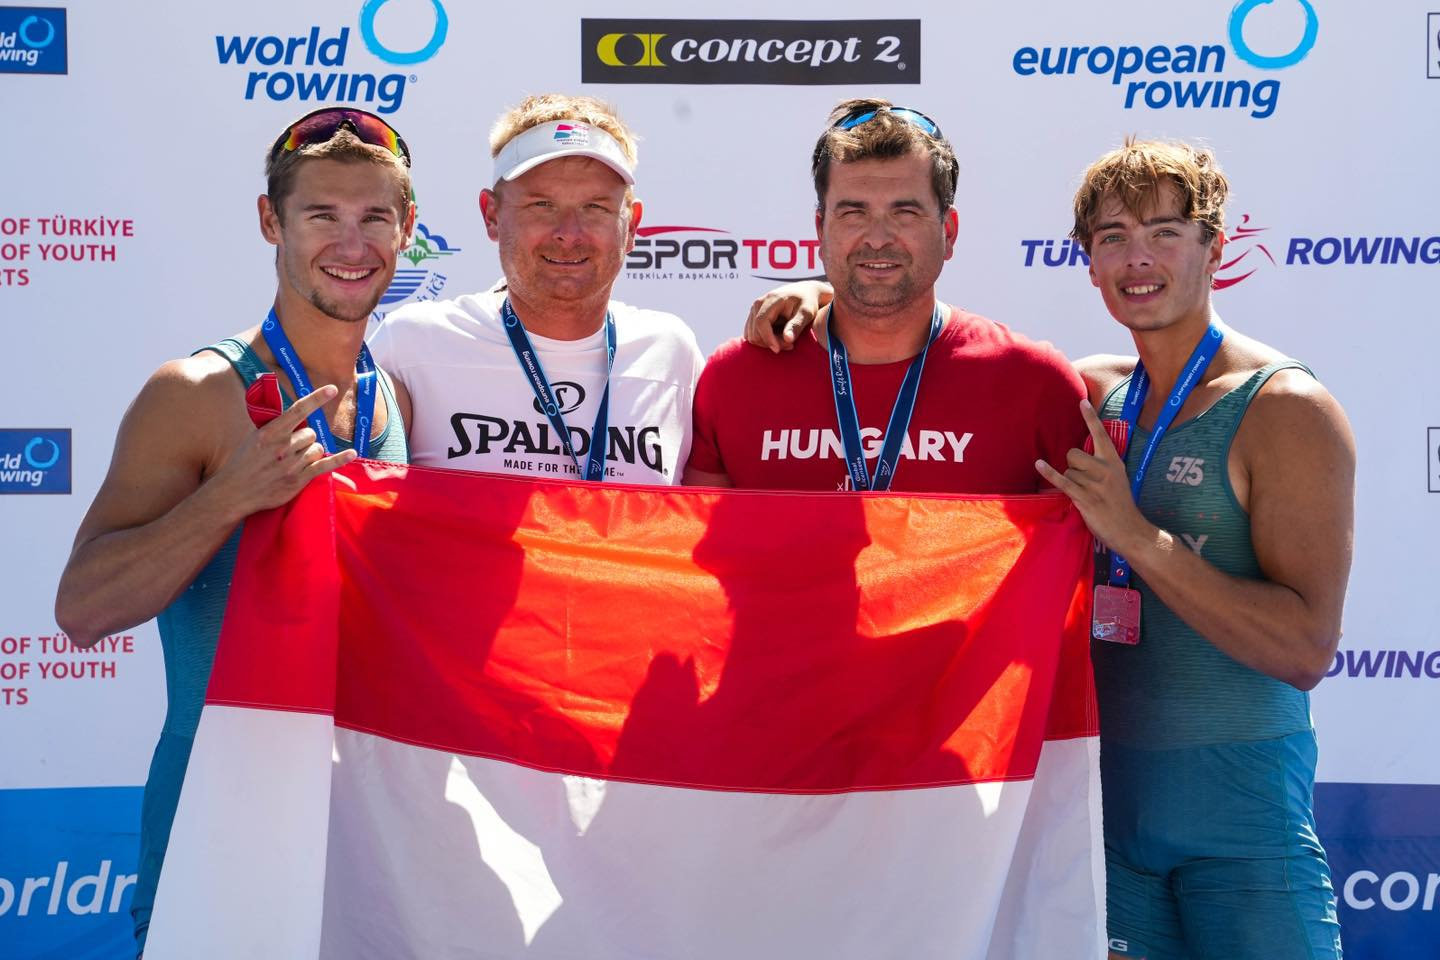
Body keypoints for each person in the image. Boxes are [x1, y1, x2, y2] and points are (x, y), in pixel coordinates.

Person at [53, 107, 417, 956]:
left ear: (407, 230)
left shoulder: (395, 396)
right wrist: (231, 496)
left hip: (363, 827)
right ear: (270, 221)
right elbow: (83, 609)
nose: (352, 244)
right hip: (218, 820)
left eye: (374, 217)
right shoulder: (195, 392)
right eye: (321, 215)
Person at [1036, 139, 1352, 959]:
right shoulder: (1086, 392)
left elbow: (1306, 648)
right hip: (1109, 812)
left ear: (1215, 248)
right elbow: (944, 371)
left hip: (1242, 821)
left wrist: (1137, 537)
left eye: (1165, 233)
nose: (1137, 259)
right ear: (1089, 263)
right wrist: (823, 304)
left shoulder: (1285, 407)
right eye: (1112, 237)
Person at [685, 98, 1085, 492]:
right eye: (853, 213)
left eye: (904, 213)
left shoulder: (1035, 384)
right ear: (821, 231)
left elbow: (1075, 536)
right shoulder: (735, 381)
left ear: (948, 232)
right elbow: (691, 534)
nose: (877, 239)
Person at [367, 94, 703, 485]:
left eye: (595, 207)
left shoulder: (672, 354)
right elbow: (350, 498)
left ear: (631, 225)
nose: (569, 234)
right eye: (542, 205)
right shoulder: (413, 344)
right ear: (492, 215)